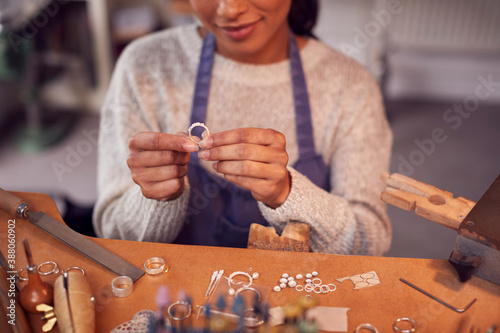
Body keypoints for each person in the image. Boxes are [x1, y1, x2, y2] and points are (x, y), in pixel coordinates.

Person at [93, 0, 393, 255]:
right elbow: (112, 234)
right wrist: (156, 200)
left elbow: (369, 241)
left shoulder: (352, 86)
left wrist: (286, 193)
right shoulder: (143, 66)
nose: (230, 10)